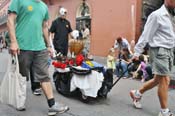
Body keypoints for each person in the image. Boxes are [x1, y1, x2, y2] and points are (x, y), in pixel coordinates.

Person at [7, 0, 69, 115]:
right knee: (21, 76)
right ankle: (19, 101)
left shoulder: (43, 6)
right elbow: (10, 20)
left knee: (44, 75)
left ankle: (52, 104)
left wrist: (49, 46)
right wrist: (13, 42)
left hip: (40, 48)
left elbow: (45, 27)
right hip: (23, 46)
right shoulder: (19, 1)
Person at [129, 0, 175, 116]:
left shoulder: (172, 15)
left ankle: (137, 93)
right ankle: (164, 111)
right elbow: (146, 35)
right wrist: (137, 52)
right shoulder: (156, 15)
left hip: (169, 51)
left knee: (159, 79)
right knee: (164, 80)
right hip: (159, 50)